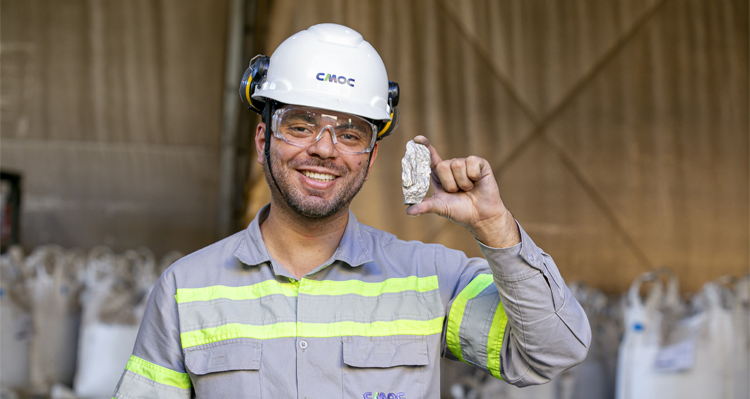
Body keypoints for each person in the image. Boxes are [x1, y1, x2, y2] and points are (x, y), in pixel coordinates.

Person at [113, 23, 590, 399]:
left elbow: (554, 351)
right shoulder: (186, 289)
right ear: (263, 141)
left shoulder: (431, 280)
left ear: (370, 156)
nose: (324, 149)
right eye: (299, 125)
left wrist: (495, 226)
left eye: (350, 133)